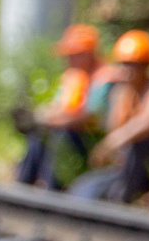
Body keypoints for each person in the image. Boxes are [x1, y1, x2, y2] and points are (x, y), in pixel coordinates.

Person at [72, 29, 149, 204]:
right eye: (124, 64)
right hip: (128, 168)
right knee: (84, 188)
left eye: (134, 65)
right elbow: (114, 128)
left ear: (146, 66)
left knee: (140, 144)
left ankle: (122, 200)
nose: (127, 71)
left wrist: (114, 140)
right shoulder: (124, 95)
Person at [13, 23, 99, 190]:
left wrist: (50, 121)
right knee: (38, 135)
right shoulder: (72, 77)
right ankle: (23, 185)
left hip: (88, 140)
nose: (67, 59)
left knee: (60, 135)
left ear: (86, 54)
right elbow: (58, 106)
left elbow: (91, 115)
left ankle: (52, 189)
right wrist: (38, 116)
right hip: (66, 132)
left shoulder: (102, 78)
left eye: (72, 55)